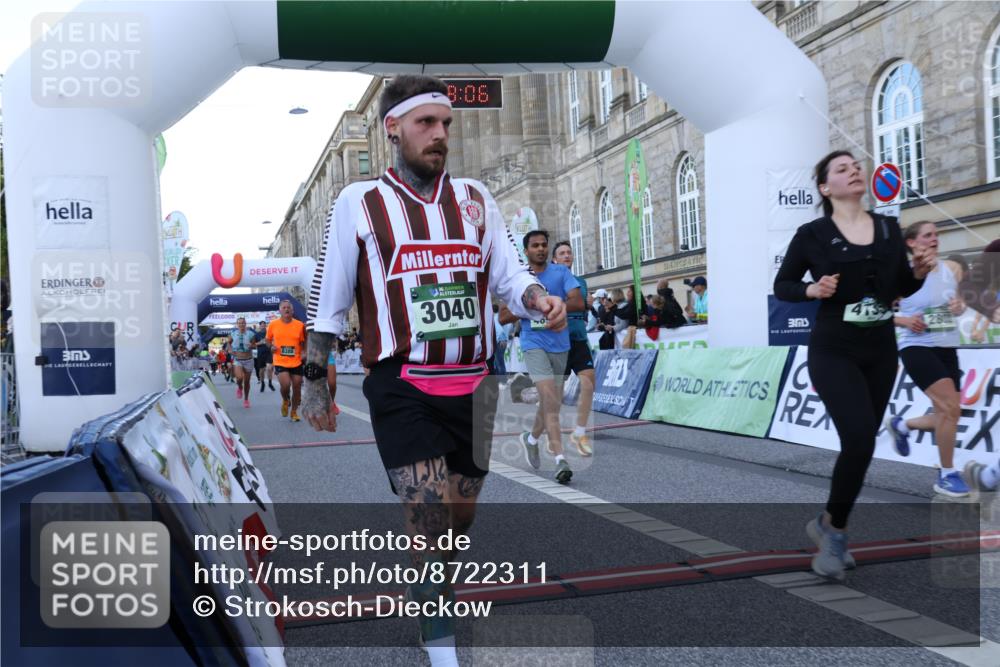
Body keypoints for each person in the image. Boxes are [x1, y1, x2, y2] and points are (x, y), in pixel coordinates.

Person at [297, 74, 565, 666]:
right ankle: (441, 643)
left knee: (460, 513)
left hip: (475, 379)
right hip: (402, 382)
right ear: (393, 128)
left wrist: (536, 297)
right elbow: (329, 297)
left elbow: (510, 274)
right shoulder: (359, 204)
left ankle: (436, 586)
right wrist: (315, 381)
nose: (440, 134)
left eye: (446, 123)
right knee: (428, 511)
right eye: (426, 123)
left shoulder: (475, 198)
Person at [773, 150, 932, 581]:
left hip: (881, 349)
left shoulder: (887, 227)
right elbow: (783, 285)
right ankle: (837, 534)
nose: (854, 170)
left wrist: (917, 270)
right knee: (860, 438)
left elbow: (899, 286)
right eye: (841, 169)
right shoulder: (812, 234)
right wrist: (812, 289)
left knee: (860, 447)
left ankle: (828, 523)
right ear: (826, 187)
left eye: (855, 165)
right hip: (833, 350)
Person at [884, 222, 969, 496]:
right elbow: (876, 312)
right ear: (912, 242)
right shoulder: (903, 275)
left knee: (949, 413)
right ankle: (946, 474)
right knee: (948, 408)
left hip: (947, 346)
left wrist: (959, 307)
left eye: (936, 235)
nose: (934, 239)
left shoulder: (949, 270)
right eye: (927, 235)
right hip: (916, 346)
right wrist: (904, 320)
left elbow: (955, 306)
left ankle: (902, 425)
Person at [503, 230, 581, 484]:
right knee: (549, 398)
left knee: (551, 403)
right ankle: (560, 459)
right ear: (525, 251)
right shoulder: (520, 280)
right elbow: (504, 316)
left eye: (543, 245)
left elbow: (578, 303)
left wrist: (556, 305)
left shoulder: (560, 273)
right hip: (533, 342)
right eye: (534, 245)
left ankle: (531, 438)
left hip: (560, 344)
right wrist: (532, 305)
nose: (540, 249)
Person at [553, 240, 595, 456]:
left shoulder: (581, 282)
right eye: (562, 253)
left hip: (579, 339)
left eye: (569, 252)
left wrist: (586, 306)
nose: (567, 255)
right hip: (558, 341)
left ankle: (579, 432)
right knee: (556, 394)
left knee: (589, 381)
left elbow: (583, 309)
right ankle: (553, 434)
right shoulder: (549, 282)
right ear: (555, 259)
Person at [266, 300, 307, 422]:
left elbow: (304, 341)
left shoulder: (300, 325)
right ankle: (285, 399)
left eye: (288, 307)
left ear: (292, 310)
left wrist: (304, 351)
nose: (286, 309)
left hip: (296, 361)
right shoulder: (273, 324)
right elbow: (267, 340)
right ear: (280, 311)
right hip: (280, 360)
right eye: (284, 307)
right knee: (285, 385)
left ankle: (294, 412)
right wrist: (271, 346)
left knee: (297, 387)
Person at [229, 317, 256, 409]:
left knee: (247, 382)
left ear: (245, 324)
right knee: (239, 378)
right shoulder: (233, 334)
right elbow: (228, 343)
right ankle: (240, 387)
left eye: (243, 323)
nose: (241, 325)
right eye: (239, 323)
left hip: (248, 359)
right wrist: (230, 349)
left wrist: (251, 345)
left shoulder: (251, 334)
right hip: (238, 359)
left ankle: (246, 399)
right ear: (237, 324)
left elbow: (254, 345)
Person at [254, 320, 276, 392]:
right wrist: (260, 342)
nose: (263, 326)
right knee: (261, 370)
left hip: (269, 353)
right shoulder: (257, 335)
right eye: (262, 325)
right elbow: (253, 344)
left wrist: (271, 343)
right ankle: (263, 383)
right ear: (259, 326)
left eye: (264, 325)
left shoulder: (269, 333)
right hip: (260, 354)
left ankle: (270, 383)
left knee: (269, 368)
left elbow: (274, 341)